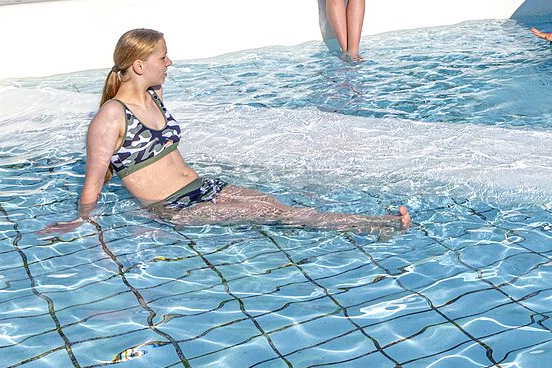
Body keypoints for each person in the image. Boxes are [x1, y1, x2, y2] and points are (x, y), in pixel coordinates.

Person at [40, 29, 410, 236]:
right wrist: (83, 223)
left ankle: (371, 223)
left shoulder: (154, 95)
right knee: (274, 214)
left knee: (272, 203)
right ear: (138, 65)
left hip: (203, 187)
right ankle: (375, 226)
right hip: (173, 207)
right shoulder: (110, 117)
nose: (170, 62)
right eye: (162, 57)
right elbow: (93, 184)